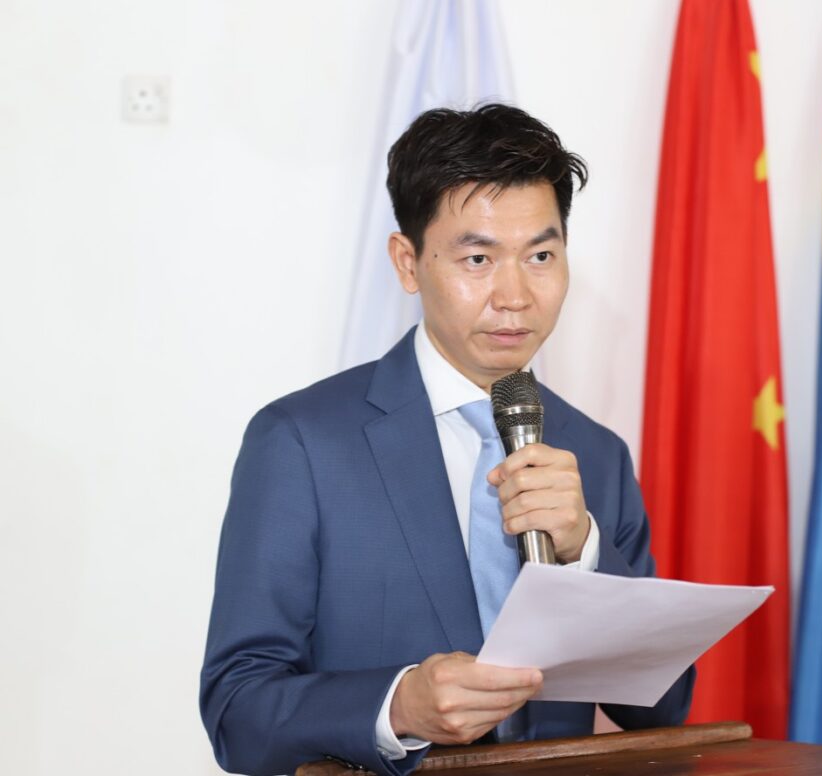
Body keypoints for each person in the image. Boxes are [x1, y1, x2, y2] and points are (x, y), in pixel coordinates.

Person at [200, 103, 695, 776]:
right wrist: (397, 706)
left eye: (541, 256)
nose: (514, 295)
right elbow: (236, 710)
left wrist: (584, 554)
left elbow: (662, 708)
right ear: (408, 263)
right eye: (478, 258)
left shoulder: (597, 453)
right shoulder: (302, 443)